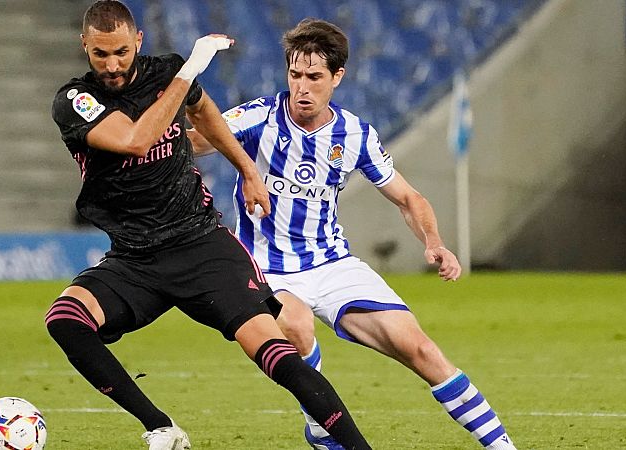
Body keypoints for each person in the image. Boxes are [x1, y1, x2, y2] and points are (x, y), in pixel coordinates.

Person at [46, 2, 372, 449]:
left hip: (202, 245)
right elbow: (135, 141)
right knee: (65, 319)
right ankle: (161, 426)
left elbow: (205, 116)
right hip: (135, 258)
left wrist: (249, 170)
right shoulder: (75, 101)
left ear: (138, 40)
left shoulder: (166, 73)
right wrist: (189, 72)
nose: (112, 64)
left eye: (121, 51)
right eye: (100, 54)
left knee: (274, 351)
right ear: (84, 45)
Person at [189, 18, 517, 450]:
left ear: (337, 77)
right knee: (298, 326)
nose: (302, 87)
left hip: (333, 264)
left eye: (314, 77)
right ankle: (322, 423)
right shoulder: (258, 117)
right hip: (267, 269)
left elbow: (409, 199)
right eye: (295, 75)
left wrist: (434, 243)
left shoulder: (356, 135)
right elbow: (199, 140)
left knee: (420, 349)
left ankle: (502, 447)